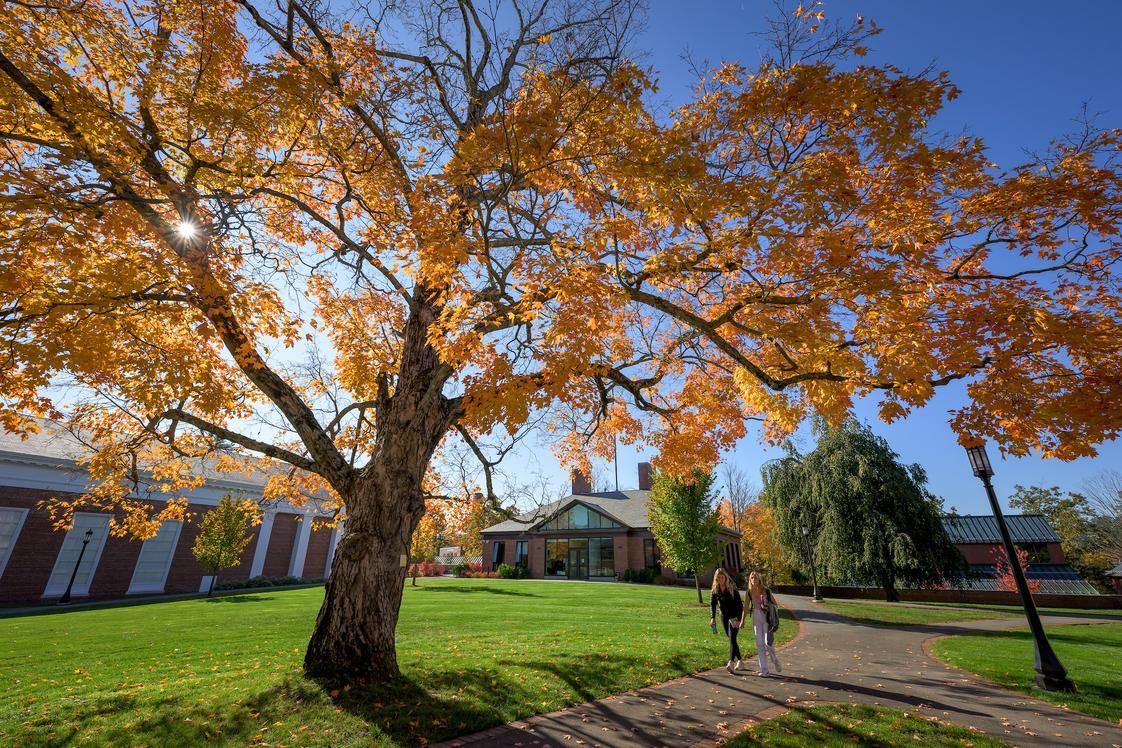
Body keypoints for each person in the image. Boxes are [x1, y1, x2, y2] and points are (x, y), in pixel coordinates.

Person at [708, 567, 744, 673]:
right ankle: (740, 661)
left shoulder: (732, 587)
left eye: (722, 576)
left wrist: (739, 619)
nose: (720, 579)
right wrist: (712, 618)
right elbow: (713, 604)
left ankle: (731, 663)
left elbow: (739, 605)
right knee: (731, 639)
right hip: (724, 617)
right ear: (716, 578)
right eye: (718, 577)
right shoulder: (715, 589)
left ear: (725, 577)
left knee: (732, 638)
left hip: (734, 617)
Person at [747, 571, 782, 676]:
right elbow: (745, 607)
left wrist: (767, 606)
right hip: (756, 617)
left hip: (767, 618)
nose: (754, 580)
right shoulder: (749, 592)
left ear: (759, 579)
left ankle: (775, 660)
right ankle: (764, 669)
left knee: (768, 643)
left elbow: (775, 604)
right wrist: (742, 621)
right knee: (759, 644)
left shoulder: (766, 591)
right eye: (752, 578)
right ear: (750, 580)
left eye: (756, 578)